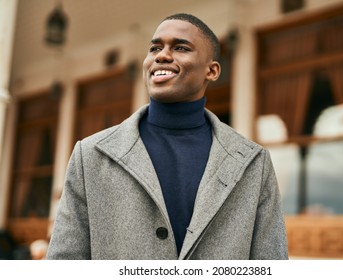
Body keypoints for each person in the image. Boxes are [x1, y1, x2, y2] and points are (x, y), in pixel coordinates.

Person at [46, 13, 288, 260]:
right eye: (155, 48)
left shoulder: (254, 163)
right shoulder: (90, 156)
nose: (161, 55)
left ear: (212, 71)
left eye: (181, 47)